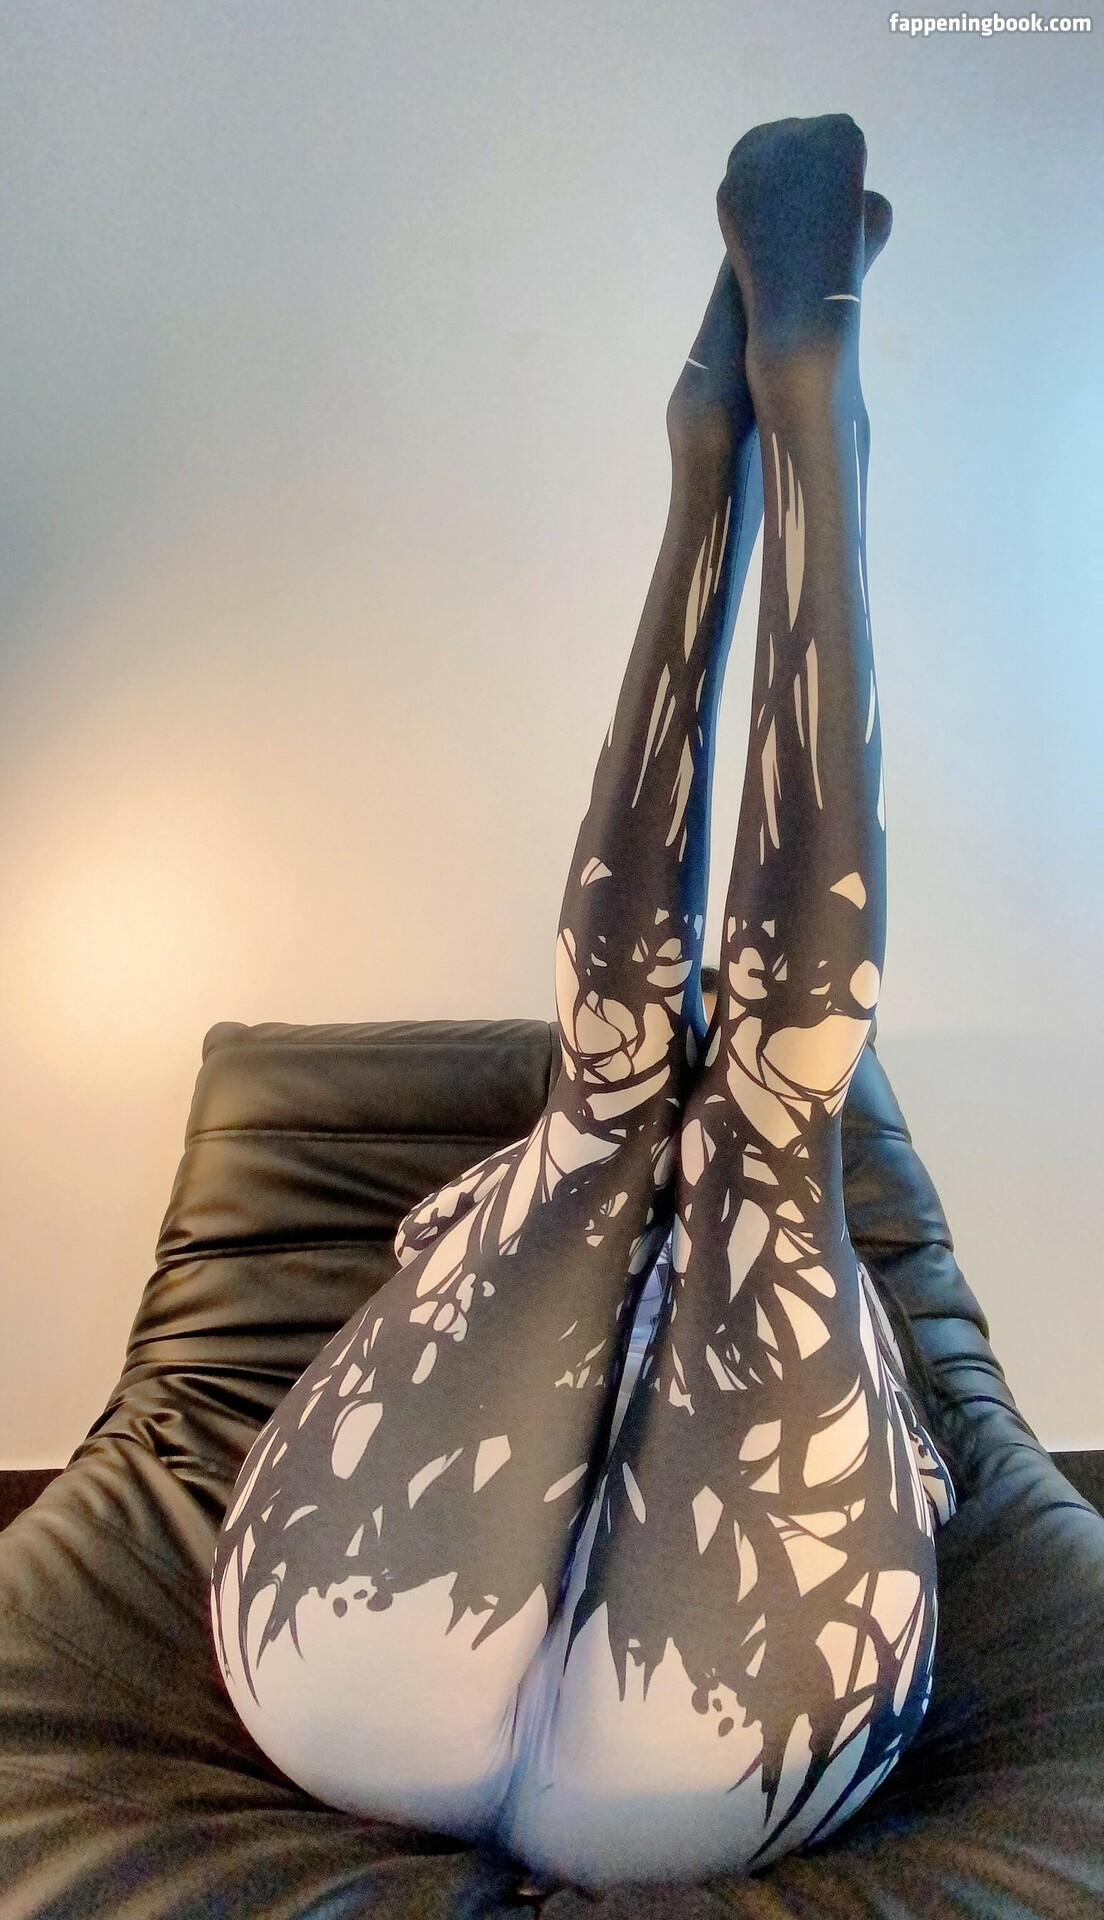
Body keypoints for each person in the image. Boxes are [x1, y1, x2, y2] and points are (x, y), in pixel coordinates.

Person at [210, 114, 956, 1889]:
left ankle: (749, 468)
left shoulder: (479, 1214)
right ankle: (766, 449)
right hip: (493, 1705)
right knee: (692, 1118)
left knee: (714, 1117)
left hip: (383, 1663)